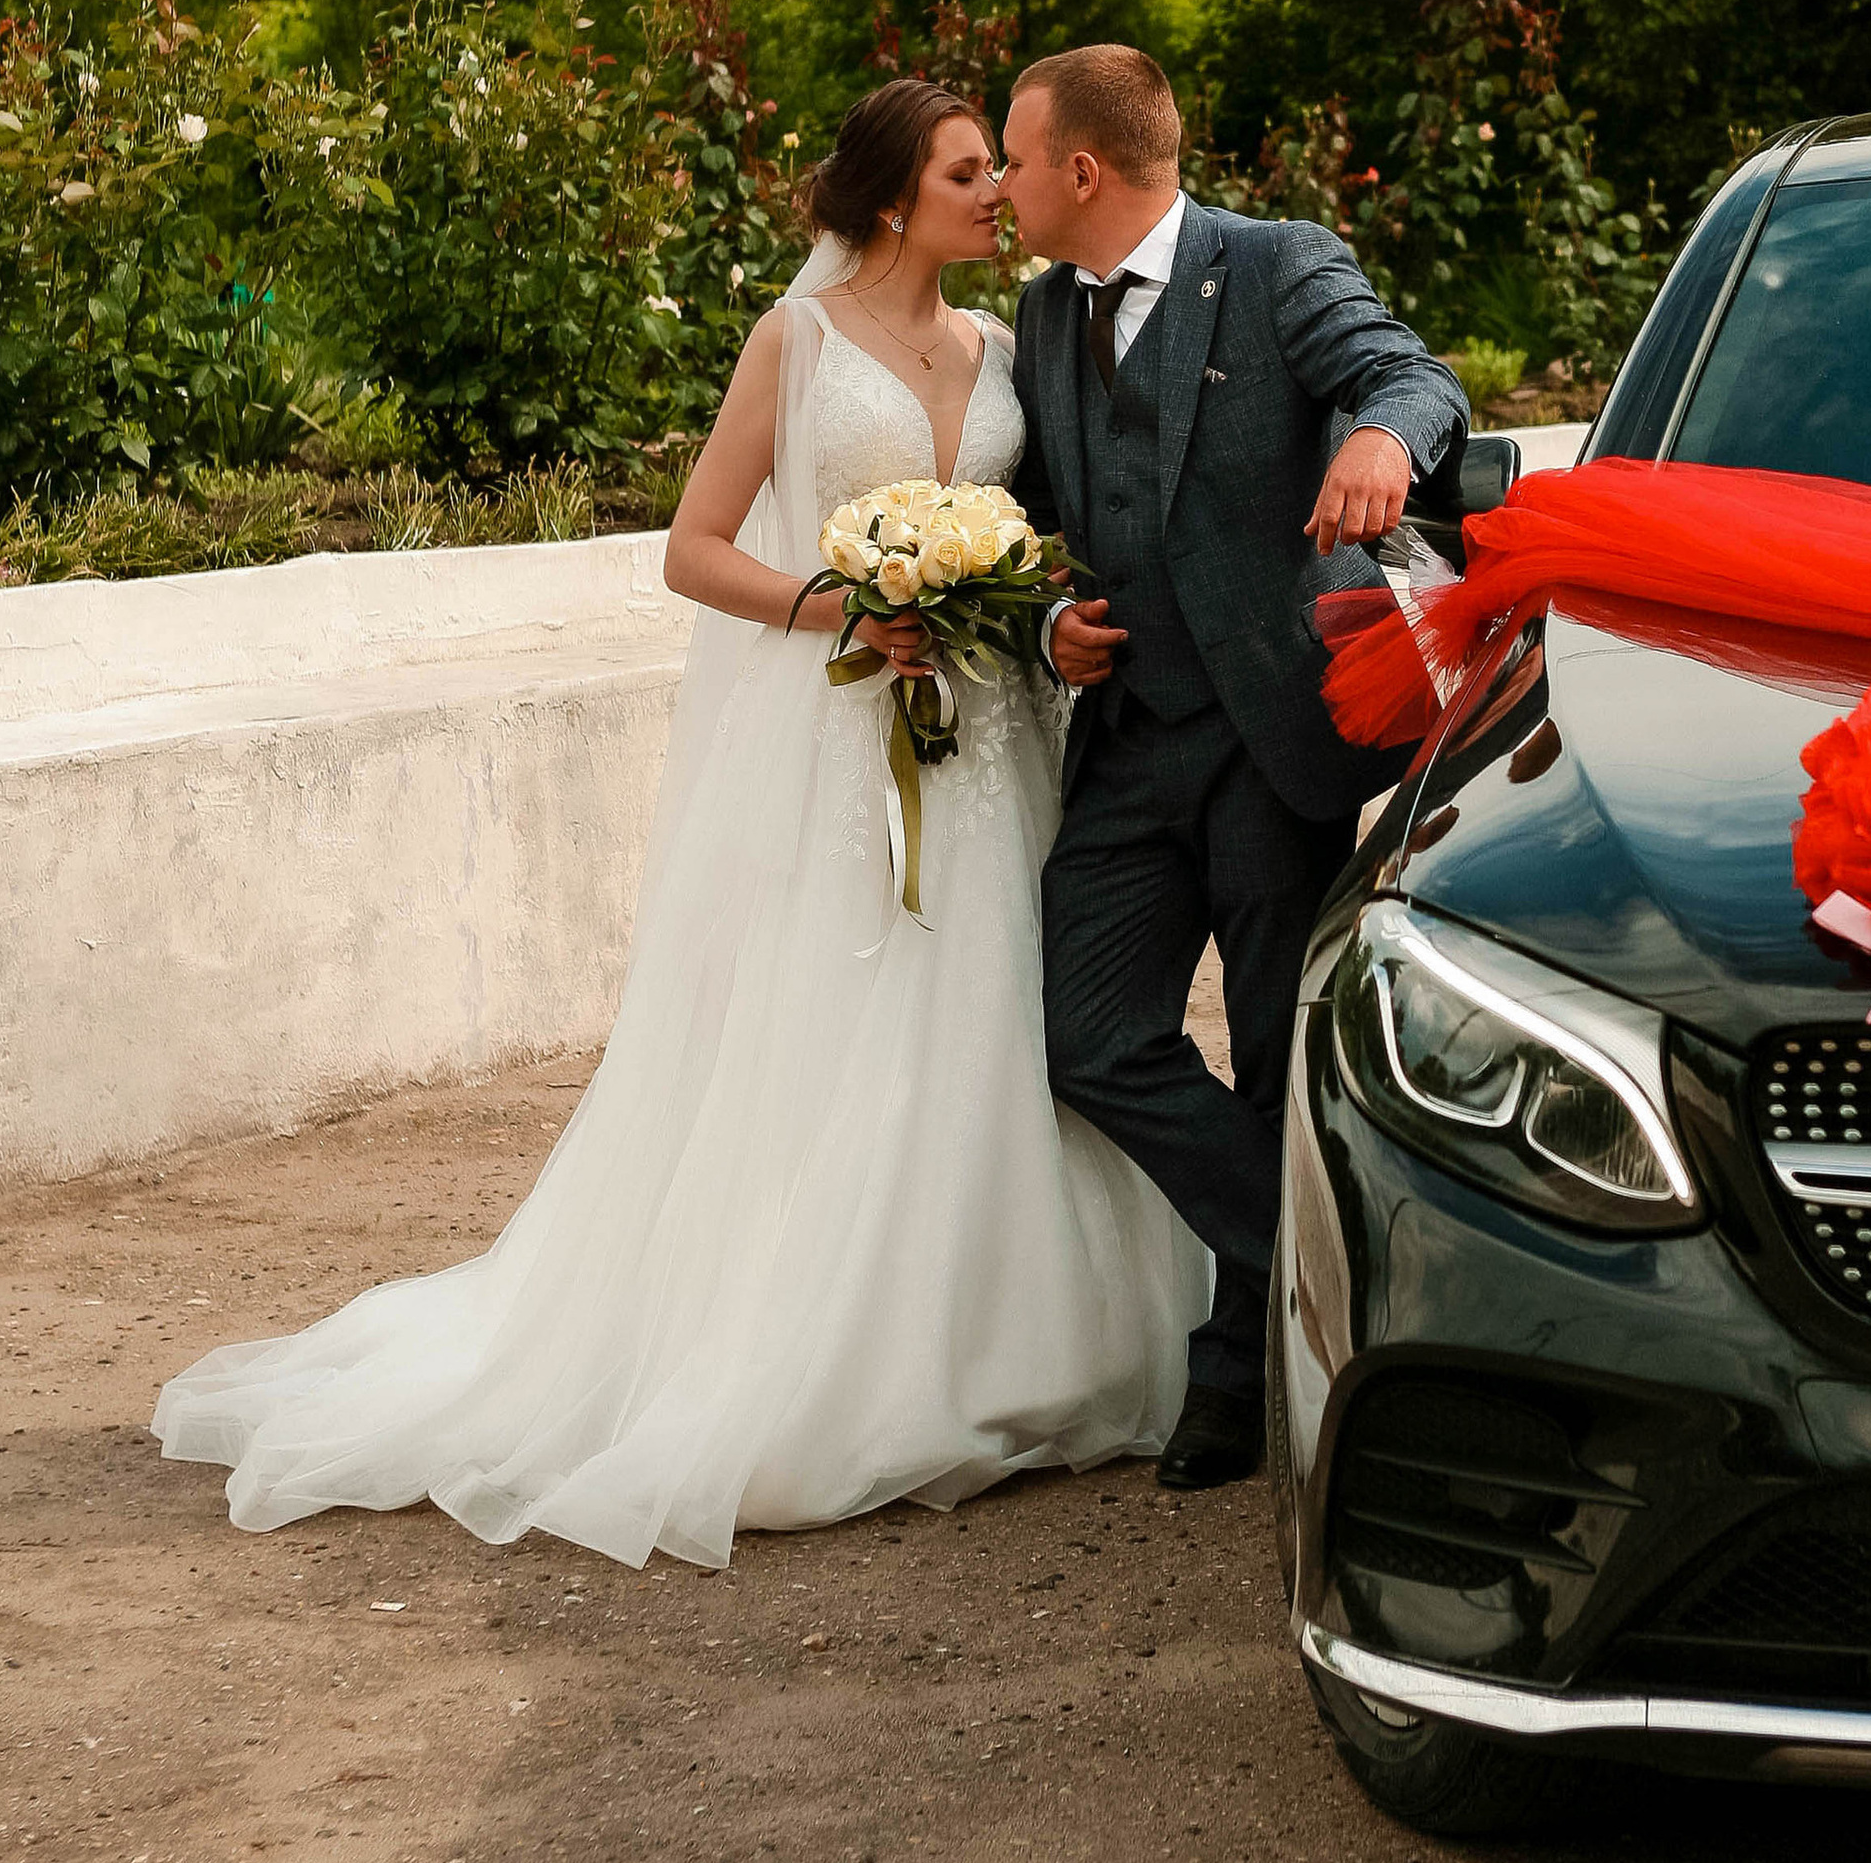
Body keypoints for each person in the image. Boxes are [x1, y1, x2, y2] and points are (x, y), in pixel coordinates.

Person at [152, 80, 1206, 1567]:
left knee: (999, 1022)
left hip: (996, 748)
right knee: (845, 1024)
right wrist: (833, 604)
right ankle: (833, 1362)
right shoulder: (798, 340)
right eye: (971, 171)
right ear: (896, 195)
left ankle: (1024, 1348)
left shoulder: (1004, 339)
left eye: (1001, 170)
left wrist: (1021, 616)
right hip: (844, 739)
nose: (998, 192)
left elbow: (1036, 539)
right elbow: (693, 550)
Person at [1000, 45, 1466, 1491]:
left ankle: (1228, 1383)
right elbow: (1022, 519)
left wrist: (1385, 433)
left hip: (1275, 743)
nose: (1004, 185)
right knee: (1089, 1039)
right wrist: (1045, 622)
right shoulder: (1036, 314)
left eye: (1014, 158)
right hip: (1131, 742)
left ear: (1083, 168)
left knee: (1275, 1058)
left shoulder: (1270, 265)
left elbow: (1408, 371)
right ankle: (1319, 1266)